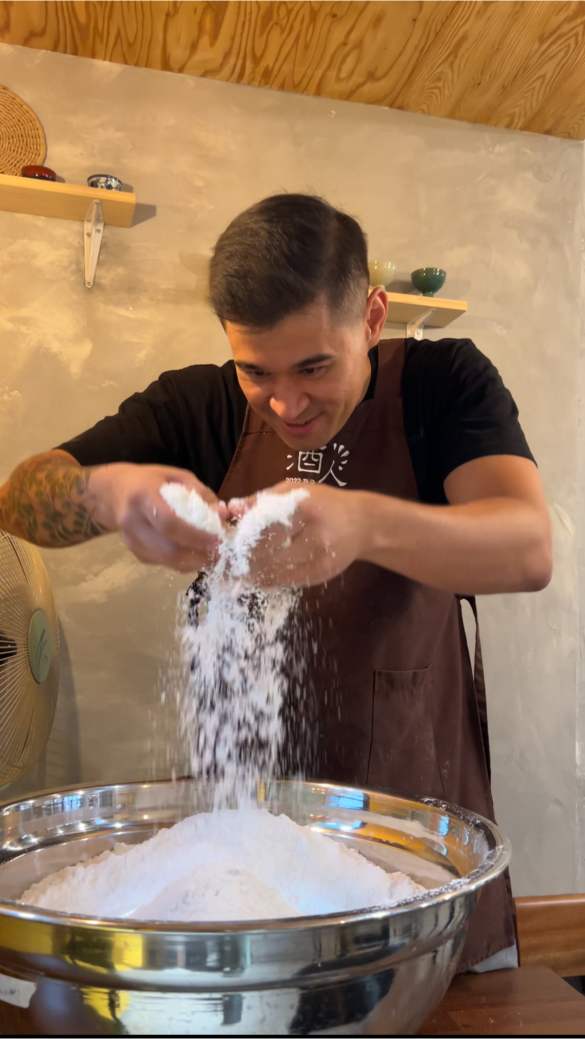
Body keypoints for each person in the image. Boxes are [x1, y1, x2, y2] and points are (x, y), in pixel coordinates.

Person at [0, 194, 551, 970]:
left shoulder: (442, 383)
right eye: (255, 370)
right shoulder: (199, 404)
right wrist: (110, 493)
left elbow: (527, 548)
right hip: (237, 867)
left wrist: (364, 524)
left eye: (313, 367)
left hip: (409, 858)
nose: (285, 402)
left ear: (370, 316)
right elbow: (20, 498)